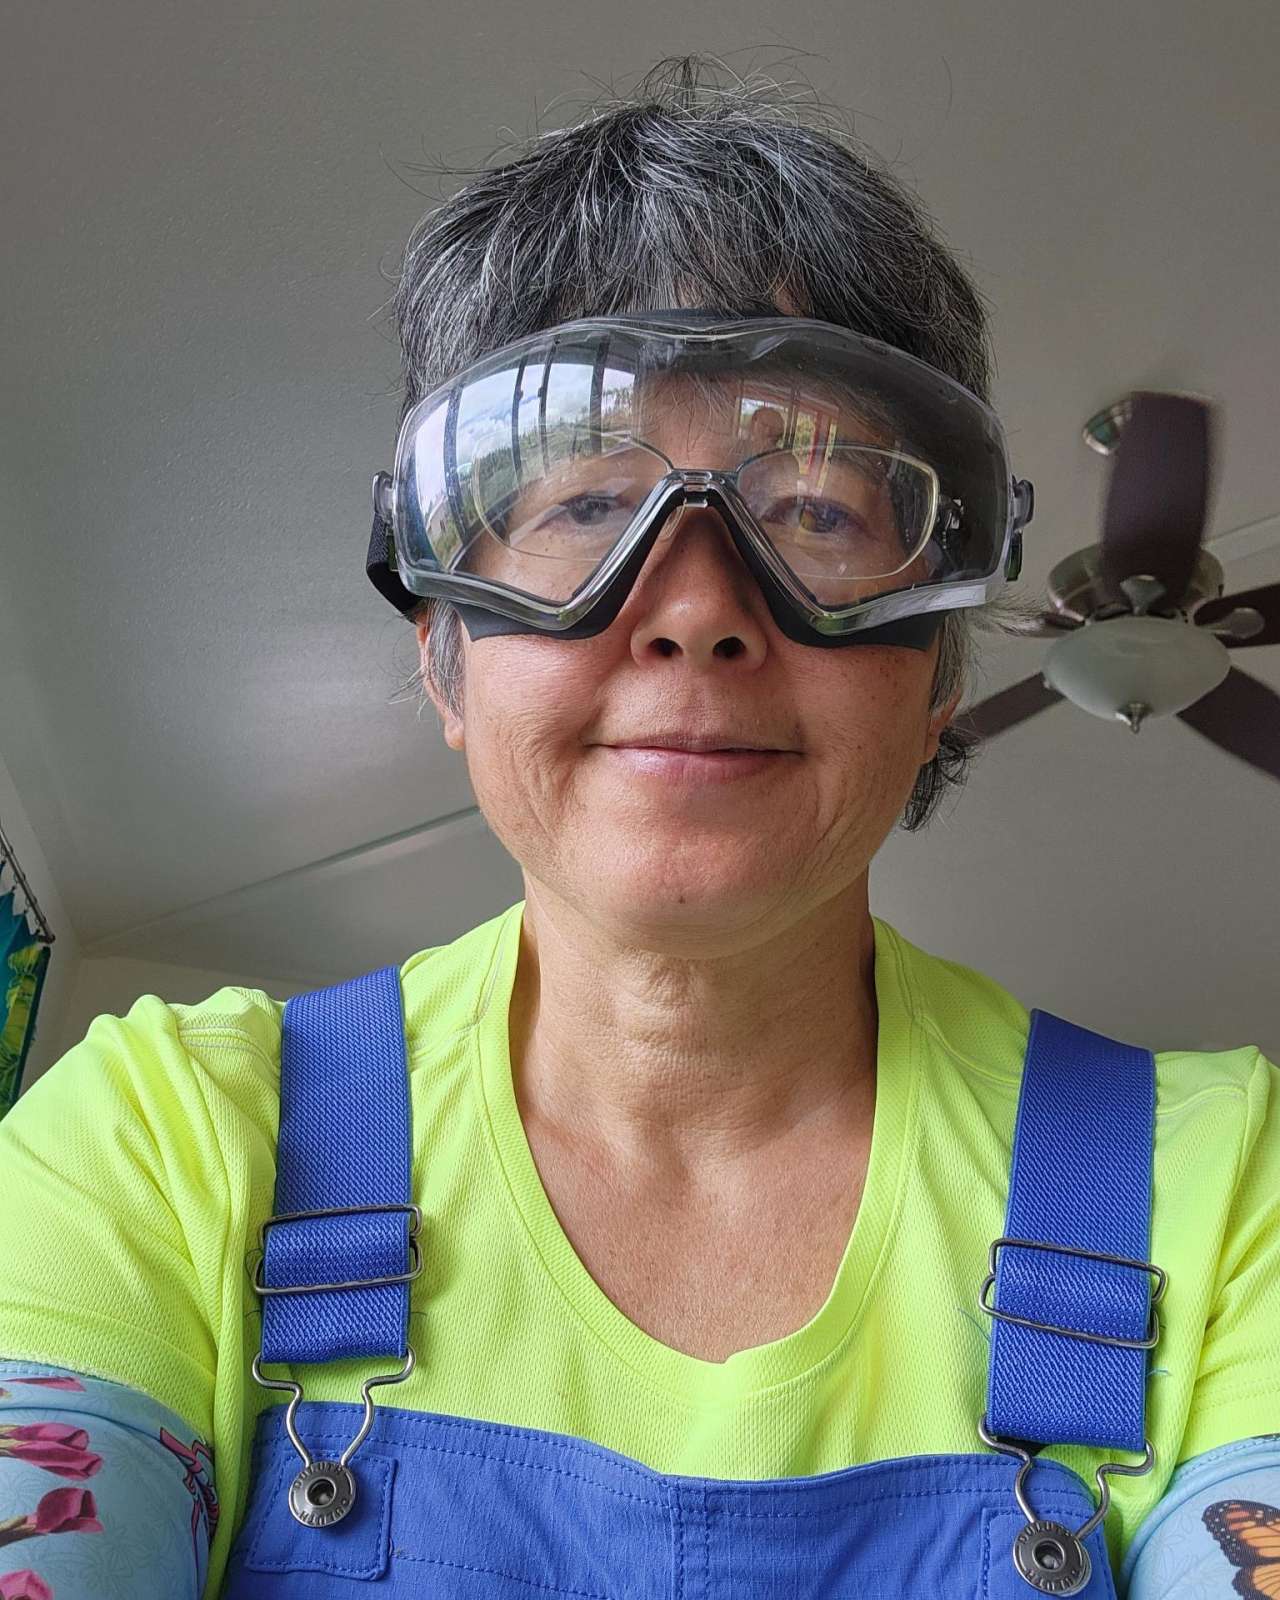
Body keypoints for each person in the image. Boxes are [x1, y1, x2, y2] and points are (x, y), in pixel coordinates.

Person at [2, 54, 1278, 1600]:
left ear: (940, 664)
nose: (693, 611)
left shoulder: (1225, 1191)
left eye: (817, 510)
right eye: (585, 507)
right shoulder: (164, 1142)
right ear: (444, 652)